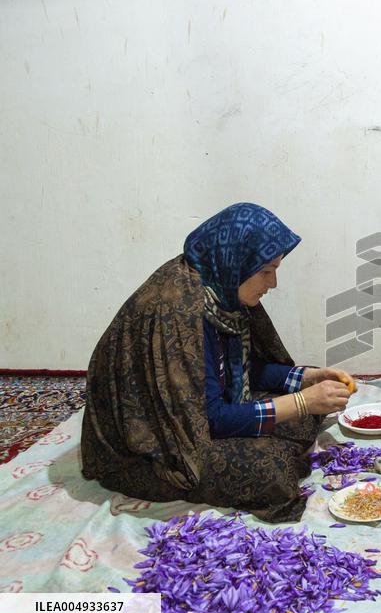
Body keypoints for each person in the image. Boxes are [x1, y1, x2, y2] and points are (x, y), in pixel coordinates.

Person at [81, 203, 354, 522]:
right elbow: (206, 418)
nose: (273, 283)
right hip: (147, 447)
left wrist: (306, 378)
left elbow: (239, 369)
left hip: (196, 412)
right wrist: (301, 402)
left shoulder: (222, 291)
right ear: (238, 262)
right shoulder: (180, 314)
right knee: (272, 470)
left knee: (303, 416)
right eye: (266, 271)